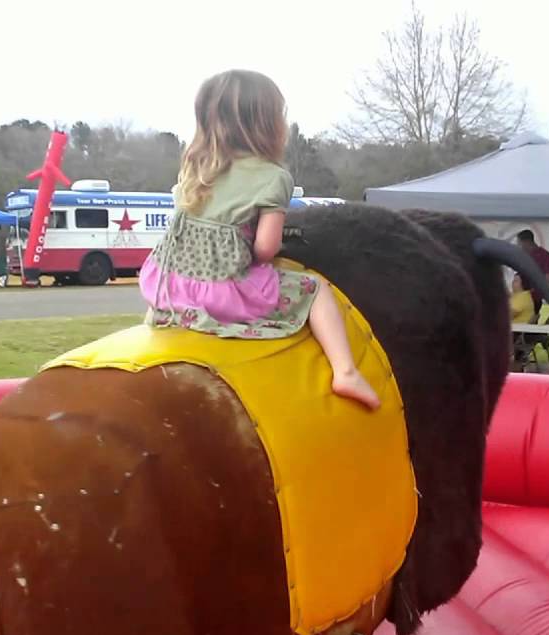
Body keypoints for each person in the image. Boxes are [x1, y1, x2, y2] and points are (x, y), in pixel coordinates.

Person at [139, 69, 379, 409]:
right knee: (315, 291)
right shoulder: (272, 177)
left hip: (166, 286)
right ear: (267, 124)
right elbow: (265, 249)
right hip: (221, 291)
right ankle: (346, 372)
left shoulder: (195, 167)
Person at [513, 229, 549, 318]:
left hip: (533, 298)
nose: (518, 246)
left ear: (526, 242)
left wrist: (533, 282)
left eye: (519, 243)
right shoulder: (522, 256)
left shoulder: (544, 255)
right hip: (520, 296)